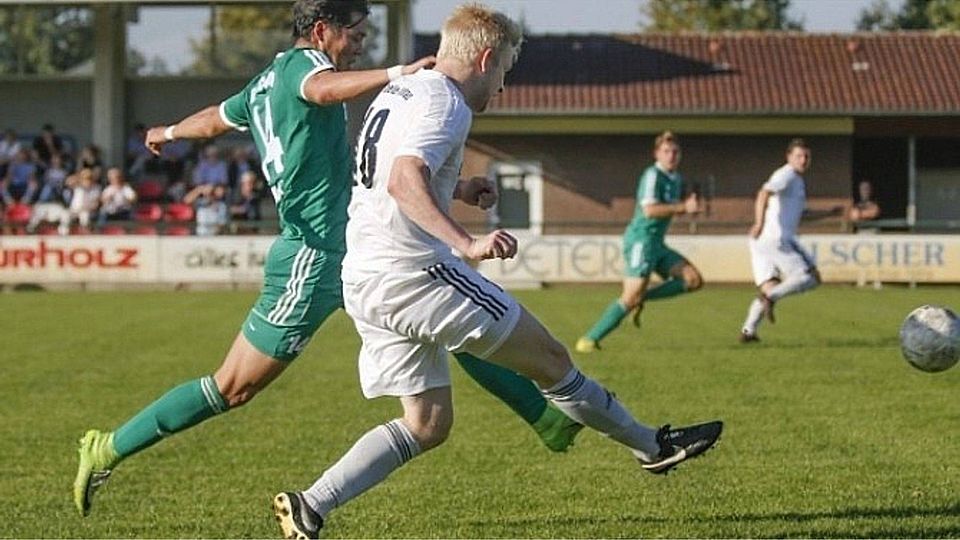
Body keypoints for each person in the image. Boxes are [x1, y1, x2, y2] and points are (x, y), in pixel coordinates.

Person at [73, 0, 580, 519]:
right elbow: (319, 89)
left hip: (355, 247)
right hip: (312, 260)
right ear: (321, 31)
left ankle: (548, 419)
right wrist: (397, 72)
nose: (362, 42)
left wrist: (169, 133)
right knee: (233, 386)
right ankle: (108, 446)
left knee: (449, 320)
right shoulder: (302, 68)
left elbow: (215, 121)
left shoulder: (262, 85)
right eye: (356, 33)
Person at [271, 5, 723, 537]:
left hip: (365, 278)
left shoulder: (401, 90)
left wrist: (456, 189)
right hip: (416, 276)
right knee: (553, 361)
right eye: (504, 71)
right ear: (485, 58)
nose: (502, 86)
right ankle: (653, 447)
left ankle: (311, 504)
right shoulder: (449, 103)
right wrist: (467, 242)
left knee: (427, 424)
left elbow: (378, 170)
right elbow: (401, 178)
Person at [574, 131, 703, 353]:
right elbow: (650, 210)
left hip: (658, 244)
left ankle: (642, 297)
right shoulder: (653, 175)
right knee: (630, 297)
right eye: (666, 151)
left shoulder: (676, 178)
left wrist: (686, 207)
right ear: (657, 154)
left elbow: (668, 210)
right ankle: (588, 340)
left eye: (675, 151)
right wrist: (683, 207)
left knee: (693, 280)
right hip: (640, 242)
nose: (671, 155)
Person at [739, 138, 820, 343]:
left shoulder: (797, 180)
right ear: (789, 157)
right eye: (799, 156)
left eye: (806, 156)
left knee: (770, 286)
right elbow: (763, 192)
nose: (803, 160)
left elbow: (802, 214)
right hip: (775, 239)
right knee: (809, 277)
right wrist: (758, 222)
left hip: (762, 241)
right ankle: (770, 299)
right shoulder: (786, 175)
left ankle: (748, 331)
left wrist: (830, 213)